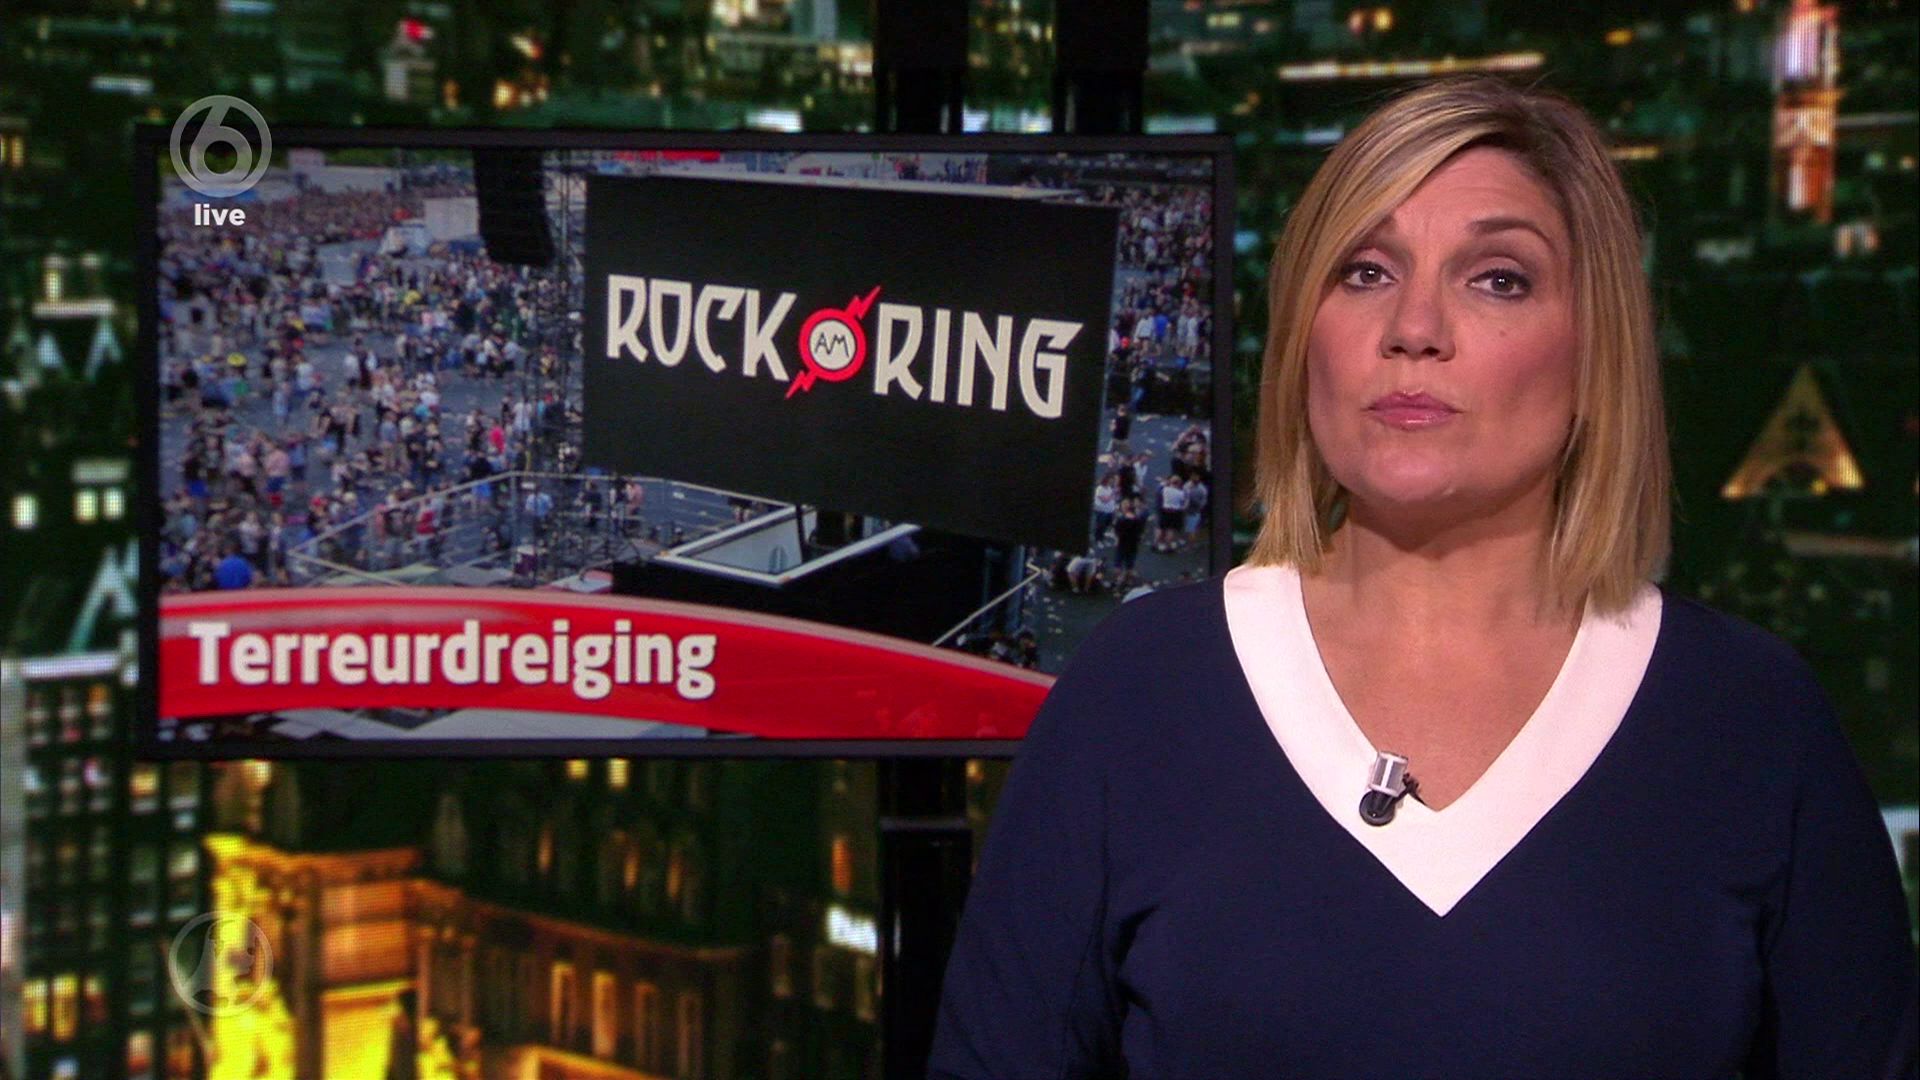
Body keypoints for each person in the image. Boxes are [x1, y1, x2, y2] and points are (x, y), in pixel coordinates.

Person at [929, 77, 1917, 1078]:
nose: (1414, 326)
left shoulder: (1748, 716)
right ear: (1301, 333)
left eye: (1498, 279)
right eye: (1364, 271)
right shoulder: (1139, 688)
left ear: (1596, 351)